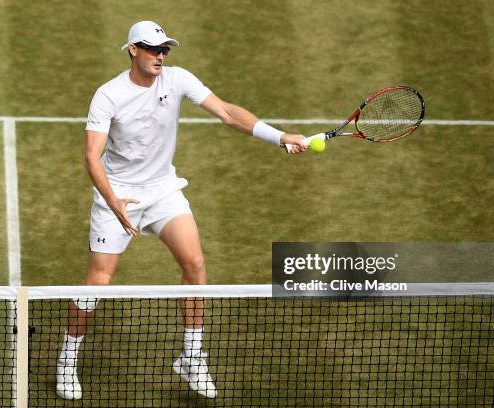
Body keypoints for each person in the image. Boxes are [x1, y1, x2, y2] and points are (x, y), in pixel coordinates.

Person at [55, 20, 307, 401]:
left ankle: (191, 356)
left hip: (164, 192)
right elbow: (92, 157)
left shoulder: (177, 80)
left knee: (195, 264)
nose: (161, 55)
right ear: (132, 50)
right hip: (118, 196)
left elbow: (226, 112)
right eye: (153, 49)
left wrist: (280, 136)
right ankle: (67, 361)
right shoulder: (108, 95)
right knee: (98, 283)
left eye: (165, 49)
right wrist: (114, 203)